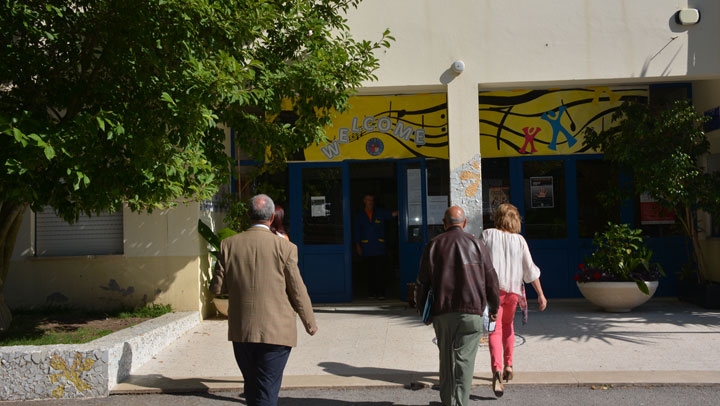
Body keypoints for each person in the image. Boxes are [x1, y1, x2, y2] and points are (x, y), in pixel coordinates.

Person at [211, 194, 318, 406]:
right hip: (276, 332)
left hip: (242, 330)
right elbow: (297, 289)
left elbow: (217, 288)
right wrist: (310, 323)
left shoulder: (228, 245)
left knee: (251, 387)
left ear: (248, 215)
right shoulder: (286, 248)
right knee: (267, 389)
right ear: (271, 218)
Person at [416, 206, 500, 406]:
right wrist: (494, 308)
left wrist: (423, 312)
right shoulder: (477, 244)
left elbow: (422, 283)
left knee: (446, 359)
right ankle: (461, 402)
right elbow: (492, 280)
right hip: (471, 312)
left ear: (444, 223)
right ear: (464, 223)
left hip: (443, 311)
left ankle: (448, 402)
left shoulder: (433, 245)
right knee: (465, 361)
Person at [481, 203, 548, 398]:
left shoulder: (487, 235)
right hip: (513, 293)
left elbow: (477, 262)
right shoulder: (520, 241)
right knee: (508, 326)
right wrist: (541, 294)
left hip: (493, 292)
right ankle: (509, 364)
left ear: (498, 217)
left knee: (494, 329)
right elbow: (530, 270)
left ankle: (497, 370)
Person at [353, 193, 397, 299]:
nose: (370, 202)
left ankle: (381, 293)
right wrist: (357, 246)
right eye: (368, 200)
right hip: (366, 248)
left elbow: (392, 214)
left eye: (372, 200)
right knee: (369, 272)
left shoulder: (379, 212)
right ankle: (371, 293)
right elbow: (357, 231)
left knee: (380, 272)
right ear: (364, 201)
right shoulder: (359, 215)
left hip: (379, 248)